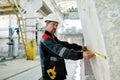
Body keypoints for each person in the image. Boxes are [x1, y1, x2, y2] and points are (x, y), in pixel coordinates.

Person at [39, 13, 94, 80]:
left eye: (56, 25)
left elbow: (65, 45)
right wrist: (81, 55)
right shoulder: (46, 40)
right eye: (53, 24)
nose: (55, 27)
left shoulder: (52, 37)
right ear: (47, 24)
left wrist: (80, 47)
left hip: (57, 74)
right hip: (51, 76)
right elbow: (62, 51)